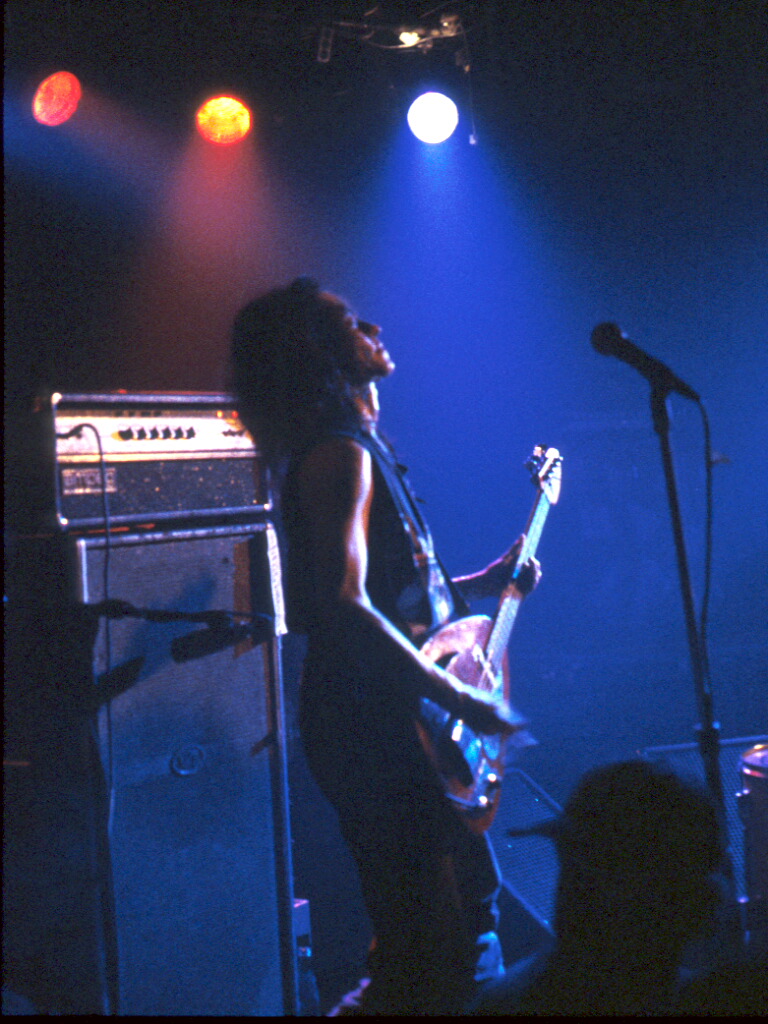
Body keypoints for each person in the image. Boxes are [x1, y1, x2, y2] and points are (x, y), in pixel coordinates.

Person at [231, 277, 541, 1015]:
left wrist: (482, 580)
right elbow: (342, 603)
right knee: (432, 940)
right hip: (372, 725)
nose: (371, 325)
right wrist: (458, 695)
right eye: (348, 321)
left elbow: (387, 596)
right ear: (317, 352)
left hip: (388, 719)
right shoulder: (339, 454)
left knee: (462, 912)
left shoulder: (354, 447)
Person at [470, 758, 731, 1016]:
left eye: (602, 870)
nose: (574, 892)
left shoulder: (507, 1002)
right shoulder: (719, 999)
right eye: (570, 865)